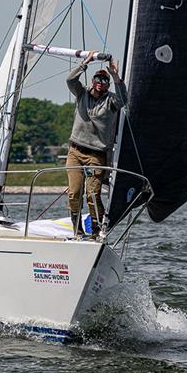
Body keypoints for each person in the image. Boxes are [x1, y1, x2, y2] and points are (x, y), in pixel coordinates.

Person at [66, 52, 127, 238]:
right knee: (74, 194)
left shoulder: (111, 101)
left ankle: (96, 230)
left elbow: (124, 99)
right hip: (75, 151)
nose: (100, 82)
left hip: (96, 155)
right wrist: (86, 62)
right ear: (92, 80)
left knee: (92, 194)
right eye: (98, 79)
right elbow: (70, 80)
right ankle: (77, 230)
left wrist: (116, 77)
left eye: (104, 80)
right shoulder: (81, 93)